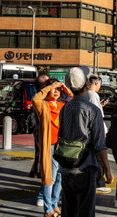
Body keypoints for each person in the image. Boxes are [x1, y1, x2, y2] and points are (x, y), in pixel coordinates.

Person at [59, 67, 113, 217]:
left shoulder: (65, 109)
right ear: (86, 85)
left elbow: (62, 135)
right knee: (85, 210)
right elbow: (99, 144)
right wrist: (108, 169)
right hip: (85, 166)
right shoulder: (92, 110)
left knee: (68, 209)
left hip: (66, 166)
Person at [32, 78, 73, 217]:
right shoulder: (43, 105)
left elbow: (73, 99)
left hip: (61, 144)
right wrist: (49, 87)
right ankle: (48, 207)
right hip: (49, 143)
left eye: (58, 90)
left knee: (61, 175)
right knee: (50, 176)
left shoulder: (63, 104)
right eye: (53, 89)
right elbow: (35, 98)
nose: (56, 92)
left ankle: (55, 204)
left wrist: (65, 87)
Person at [86, 74, 111, 194]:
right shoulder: (93, 94)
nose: (99, 87)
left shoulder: (85, 94)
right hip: (96, 131)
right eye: (99, 85)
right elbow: (98, 116)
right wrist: (104, 131)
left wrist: (100, 105)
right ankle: (99, 182)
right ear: (96, 83)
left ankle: (96, 181)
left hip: (87, 133)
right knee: (99, 157)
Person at [30, 74, 49, 207]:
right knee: (48, 169)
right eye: (47, 83)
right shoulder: (39, 100)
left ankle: (47, 197)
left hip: (48, 138)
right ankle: (43, 196)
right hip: (43, 138)